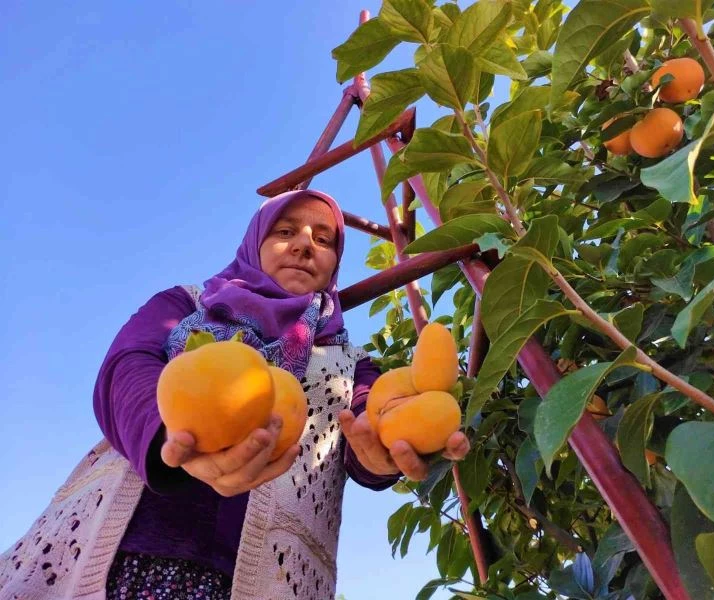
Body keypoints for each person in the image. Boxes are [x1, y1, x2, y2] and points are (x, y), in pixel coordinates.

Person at [0, 189, 470, 600]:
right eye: (286, 231)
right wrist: (172, 440)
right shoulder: (188, 303)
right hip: (122, 549)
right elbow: (126, 366)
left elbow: (368, 423)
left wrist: (382, 450)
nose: (306, 244)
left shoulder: (348, 360)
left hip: (263, 579)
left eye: (324, 240)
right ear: (254, 242)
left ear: (333, 265)